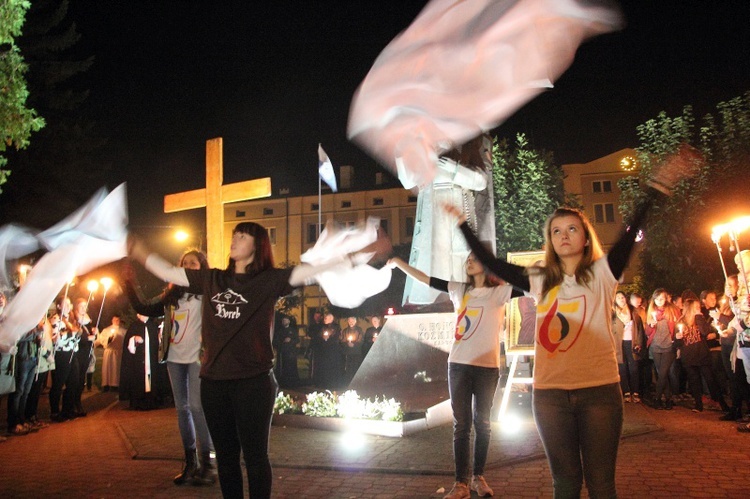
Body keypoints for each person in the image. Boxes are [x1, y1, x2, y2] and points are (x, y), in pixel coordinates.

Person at [449, 153, 687, 497]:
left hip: (599, 391)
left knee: (602, 484)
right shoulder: (539, 278)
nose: (564, 236)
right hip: (550, 396)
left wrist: (657, 187)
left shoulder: (604, 273)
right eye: (556, 231)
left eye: (572, 229)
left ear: (585, 237)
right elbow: (490, 262)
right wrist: (462, 225)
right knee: (565, 484)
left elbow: (630, 228)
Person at [128, 221, 370, 498]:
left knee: (255, 459)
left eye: (242, 236)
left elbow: (314, 271)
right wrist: (138, 250)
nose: (234, 239)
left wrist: (358, 254)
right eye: (234, 234)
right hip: (214, 382)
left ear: (257, 247)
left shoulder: (268, 280)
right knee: (227, 460)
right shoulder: (212, 278)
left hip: (253, 383)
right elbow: (168, 271)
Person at [389, 252, 517, 499]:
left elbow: (531, 285)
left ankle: (478, 478)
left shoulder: (500, 292)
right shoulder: (459, 289)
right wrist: (398, 263)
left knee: (483, 423)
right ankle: (460, 484)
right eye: (467, 258)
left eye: (475, 257)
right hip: (458, 364)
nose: (470, 260)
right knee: (462, 425)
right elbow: (427, 279)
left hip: (487, 368)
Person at [125, 250, 217, 486]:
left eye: (193, 263)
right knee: (182, 409)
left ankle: (207, 464)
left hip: (197, 358)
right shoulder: (171, 294)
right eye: (184, 263)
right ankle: (190, 463)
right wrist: (128, 282)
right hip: (174, 358)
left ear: (202, 267)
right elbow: (145, 308)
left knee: (197, 407)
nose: (188, 266)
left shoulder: (209, 292)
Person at [675, 299, 729, 413]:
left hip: (702, 354)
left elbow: (705, 332)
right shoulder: (681, 321)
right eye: (696, 307)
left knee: (711, 380)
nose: (699, 308)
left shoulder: (700, 319)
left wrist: (699, 317)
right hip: (689, 355)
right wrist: (677, 338)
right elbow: (678, 343)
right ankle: (698, 404)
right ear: (690, 308)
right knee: (694, 381)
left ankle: (723, 404)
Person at [645, 288, 680, 409]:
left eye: (662, 298)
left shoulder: (672, 310)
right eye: (657, 298)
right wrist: (651, 326)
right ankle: (668, 399)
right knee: (661, 374)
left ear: (666, 299)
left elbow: (678, 327)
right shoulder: (651, 312)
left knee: (663, 373)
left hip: (668, 346)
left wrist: (678, 338)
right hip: (655, 346)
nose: (660, 301)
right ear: (654, 299)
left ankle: (657, 398)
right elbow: (647, 332)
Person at [49, 296, 80, 422]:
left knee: (73, 382)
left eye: (69, 304)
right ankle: (55, 412)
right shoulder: (55, 319)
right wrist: (71, 333)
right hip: (61, 354)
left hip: (72, 353)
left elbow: (75, 337)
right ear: (58, 306)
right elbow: (56, 339)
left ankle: (68, 409)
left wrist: (76, 334)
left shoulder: (71, 320)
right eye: (65, 304)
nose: (68, 306)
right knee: (58, 383)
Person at [612, 291, 646, 403]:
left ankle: (635, 392)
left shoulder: (633, 313)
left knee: (634, 368)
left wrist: (639, 343)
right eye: (618, 298)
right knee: (622, 368)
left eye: (622, 297)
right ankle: (626, 391)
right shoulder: (613, 314)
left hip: (631, 343)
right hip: (619, 344)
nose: (621, 300)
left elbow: (640, 330)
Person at [95, 315, 126, 392]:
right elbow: (101, 340)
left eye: (117, 320)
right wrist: (109, 340)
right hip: (109, 352)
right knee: (107, 369)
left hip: (118, 352)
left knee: (116, 369)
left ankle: (115, 385)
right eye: (114, 320)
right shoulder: (106, 330)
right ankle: (106, 385)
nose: (116, 321)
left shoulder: (123, 331)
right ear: (112, 320)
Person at [272, 314, 300, 388]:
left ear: (289, 321)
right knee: (282, 368)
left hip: (291, 353)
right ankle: (283, 382)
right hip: (282, 353)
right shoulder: (279, 331)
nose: (284, 322)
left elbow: (297, 340)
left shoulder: (293, 331)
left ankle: (293, 383)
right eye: (283, 321)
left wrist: (290, 341)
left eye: (285, 320)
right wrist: (282, 341)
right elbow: (276, 341)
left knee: (291, 368)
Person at [340, 316, 364, 384]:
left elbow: (361, 340)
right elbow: (342, 340)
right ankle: (348, 382)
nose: (351, 323)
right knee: (348, 368)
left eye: (352, 321)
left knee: (356, 367)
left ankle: (356, 382)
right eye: (349, 321)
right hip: (348, 353)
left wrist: (354, 345)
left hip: (356, 352)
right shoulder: (345, 331)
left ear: (355, 321)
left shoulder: (359, 330)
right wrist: (347, 344)